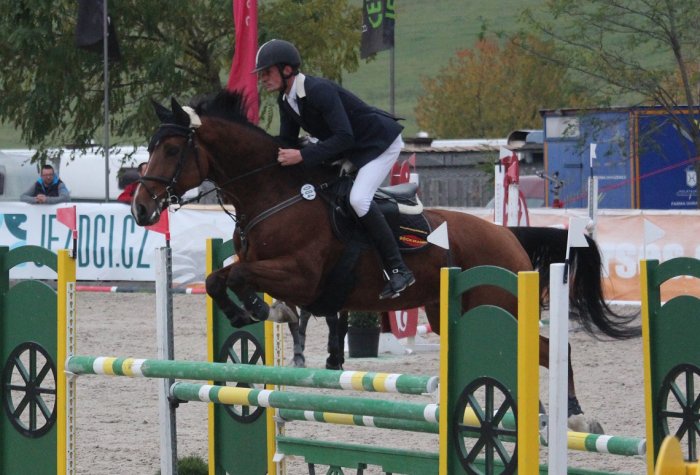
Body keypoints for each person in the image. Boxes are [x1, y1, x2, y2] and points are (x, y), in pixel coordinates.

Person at [254, 39, 414, 300]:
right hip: (352, 148)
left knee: (358, 199)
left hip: (378, 143)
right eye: (261, 73)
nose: (262, 78)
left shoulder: (318, 90)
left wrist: (303, 155)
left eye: (267, 72)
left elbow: (344, 137)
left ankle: (399, 269)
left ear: (287, 70)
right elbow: (287, 141)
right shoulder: (286, 100)